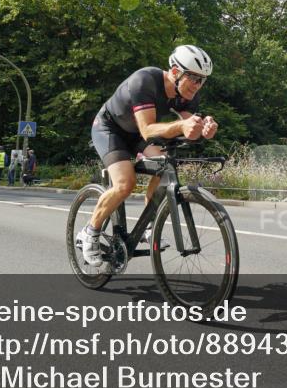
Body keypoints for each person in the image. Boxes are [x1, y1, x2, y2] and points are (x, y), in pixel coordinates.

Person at [77, 45, 219, 266]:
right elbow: (148, 130)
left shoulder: (188, 94)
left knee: (164, 167)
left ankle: (147, 225)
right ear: (174, 71)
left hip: (138, 134)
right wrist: (183, 125)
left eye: (202, 80)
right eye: (192, 77)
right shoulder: (145, 81)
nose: (197, 85)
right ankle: (90, 231)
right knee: (125, 184)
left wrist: (204, 128)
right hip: (111, 129)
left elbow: (189, 128)